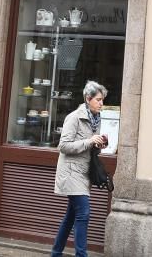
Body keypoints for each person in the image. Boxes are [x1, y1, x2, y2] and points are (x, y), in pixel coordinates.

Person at [51, 81, 109, 257]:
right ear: (88, 99)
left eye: (102, 100)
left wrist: (100, 144)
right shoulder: (74, 117)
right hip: (71, 172)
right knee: (83, 213)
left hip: (84, 173)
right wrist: (90, 141)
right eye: (98, 100)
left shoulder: (95, 120)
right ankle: (81, 255)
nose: (101, 103)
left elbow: (90, 147)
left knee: (70, 217)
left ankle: (56, 252)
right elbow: (63, 146)